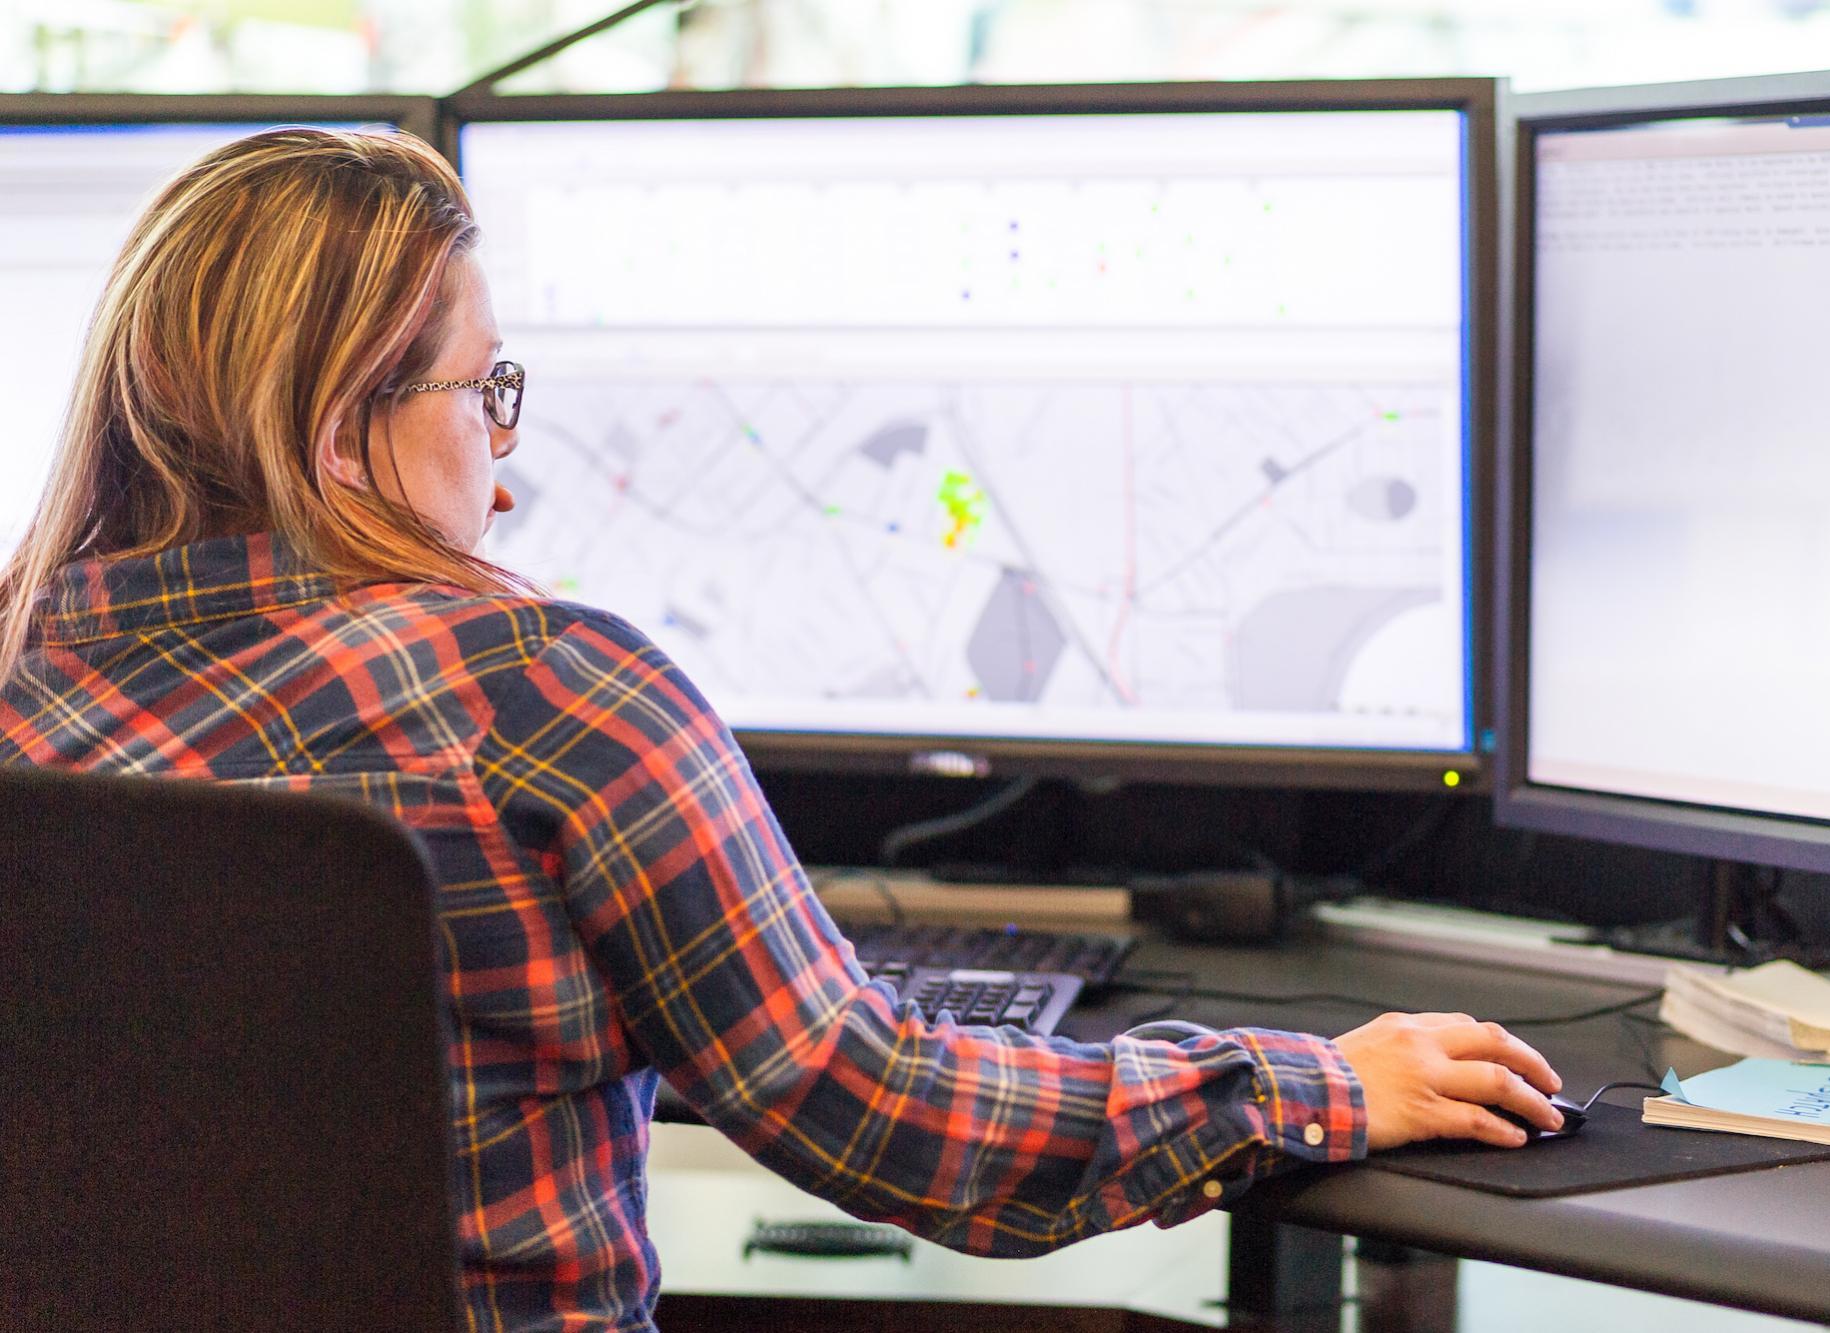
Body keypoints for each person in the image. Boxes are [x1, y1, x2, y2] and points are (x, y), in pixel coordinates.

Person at [0, 128, 1564, 1333]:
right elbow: (884, 1111)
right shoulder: (543, 690)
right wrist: (1312, 1082)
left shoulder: (21, 682)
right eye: (489, 394)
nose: (508, 470)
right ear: (344, 430)